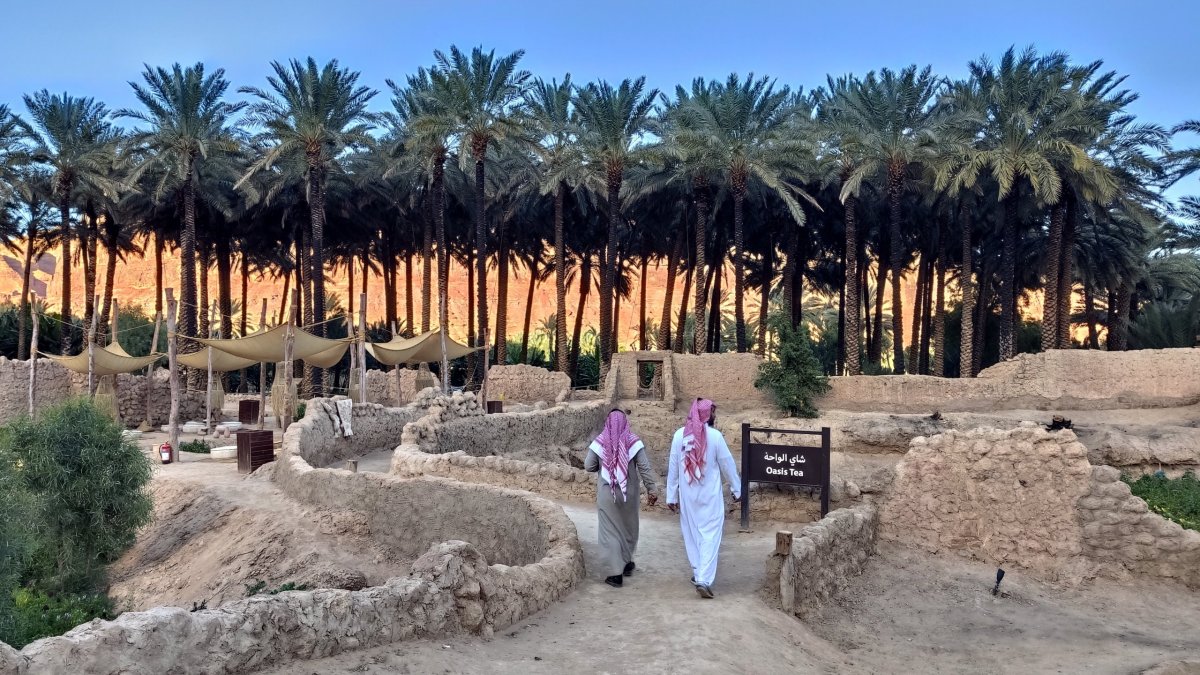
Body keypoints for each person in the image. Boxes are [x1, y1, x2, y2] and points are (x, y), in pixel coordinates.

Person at [665, 398, 741, 599]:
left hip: (687, 496)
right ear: (706, 415)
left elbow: (673, 467)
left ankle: (699, 572)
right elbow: (727, 464)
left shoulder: (679, 435)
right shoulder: (715, 436)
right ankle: (704, 579)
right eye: (712, 412)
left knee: (691, 533)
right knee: (710, 534)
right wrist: (737, 490)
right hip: (709, 496)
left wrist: (671, 496)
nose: (714, 416)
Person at [585, 409, 659, 588]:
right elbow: (644, 468)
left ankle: (615, 573)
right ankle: (626, 562)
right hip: (629, 494)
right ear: (626, 423)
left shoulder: (600, 442)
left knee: (610, 531)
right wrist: (652, 489)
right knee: (628, 528)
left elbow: (588, 465)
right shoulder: (634, 442)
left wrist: (603, 466)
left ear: (607, 423)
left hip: (607, 494)